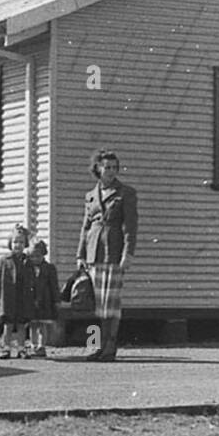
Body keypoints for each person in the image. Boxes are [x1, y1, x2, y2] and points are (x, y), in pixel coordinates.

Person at [75, 149, 138, 361]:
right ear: (97, 169)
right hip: (93, 254)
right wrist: (80, 254)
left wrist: (127, 254)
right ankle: (94, 346)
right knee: (95, 305)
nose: (111, 171)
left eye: (114, 167)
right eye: (106, 167)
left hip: (113, 253)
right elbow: (85, 227)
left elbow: (130, 227)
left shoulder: (126, 193)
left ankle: (110, 347)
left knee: (110, 304)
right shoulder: (90, 195)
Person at [0, 224, 36, 359]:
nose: (18, 245)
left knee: (22, 324)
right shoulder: (4, 261)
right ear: (10, 243)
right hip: (8, 297)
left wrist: (33, 295)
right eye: (15, 242)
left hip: (23, 297)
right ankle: (5, 348)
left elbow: (32, 279)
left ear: (26, 244)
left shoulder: (27, 262)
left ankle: (21, 348)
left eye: (21, 242)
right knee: (8, 324)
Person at [26, 239, 60, 358]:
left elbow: (54, 286)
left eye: (38, 256)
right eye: (32, 256)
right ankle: (33, 345)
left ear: (43, 254)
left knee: (42, 324)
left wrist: (56, 300)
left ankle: (42, 346)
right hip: (31, 299)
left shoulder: (49, 268)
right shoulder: (27, 267)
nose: (35, 259)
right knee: (33, 324)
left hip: (45, 300)